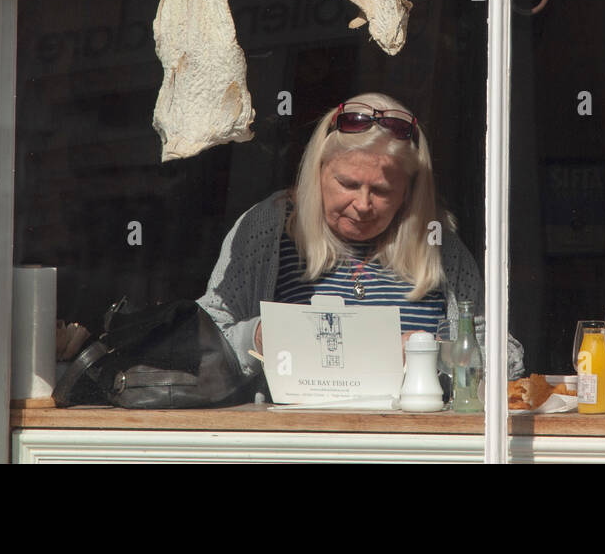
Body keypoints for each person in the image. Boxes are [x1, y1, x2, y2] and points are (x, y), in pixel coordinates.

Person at [198, 92, 525, 387]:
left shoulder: (436, 241)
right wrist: (258, 337)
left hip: (413, 441)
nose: (363, 204)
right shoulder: (270, 228)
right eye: (348, 184)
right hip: (296, 438)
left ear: (408, 192)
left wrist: (433, 356)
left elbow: (503, 360)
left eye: (382, 190)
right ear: (318, 171)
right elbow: (205, 340)